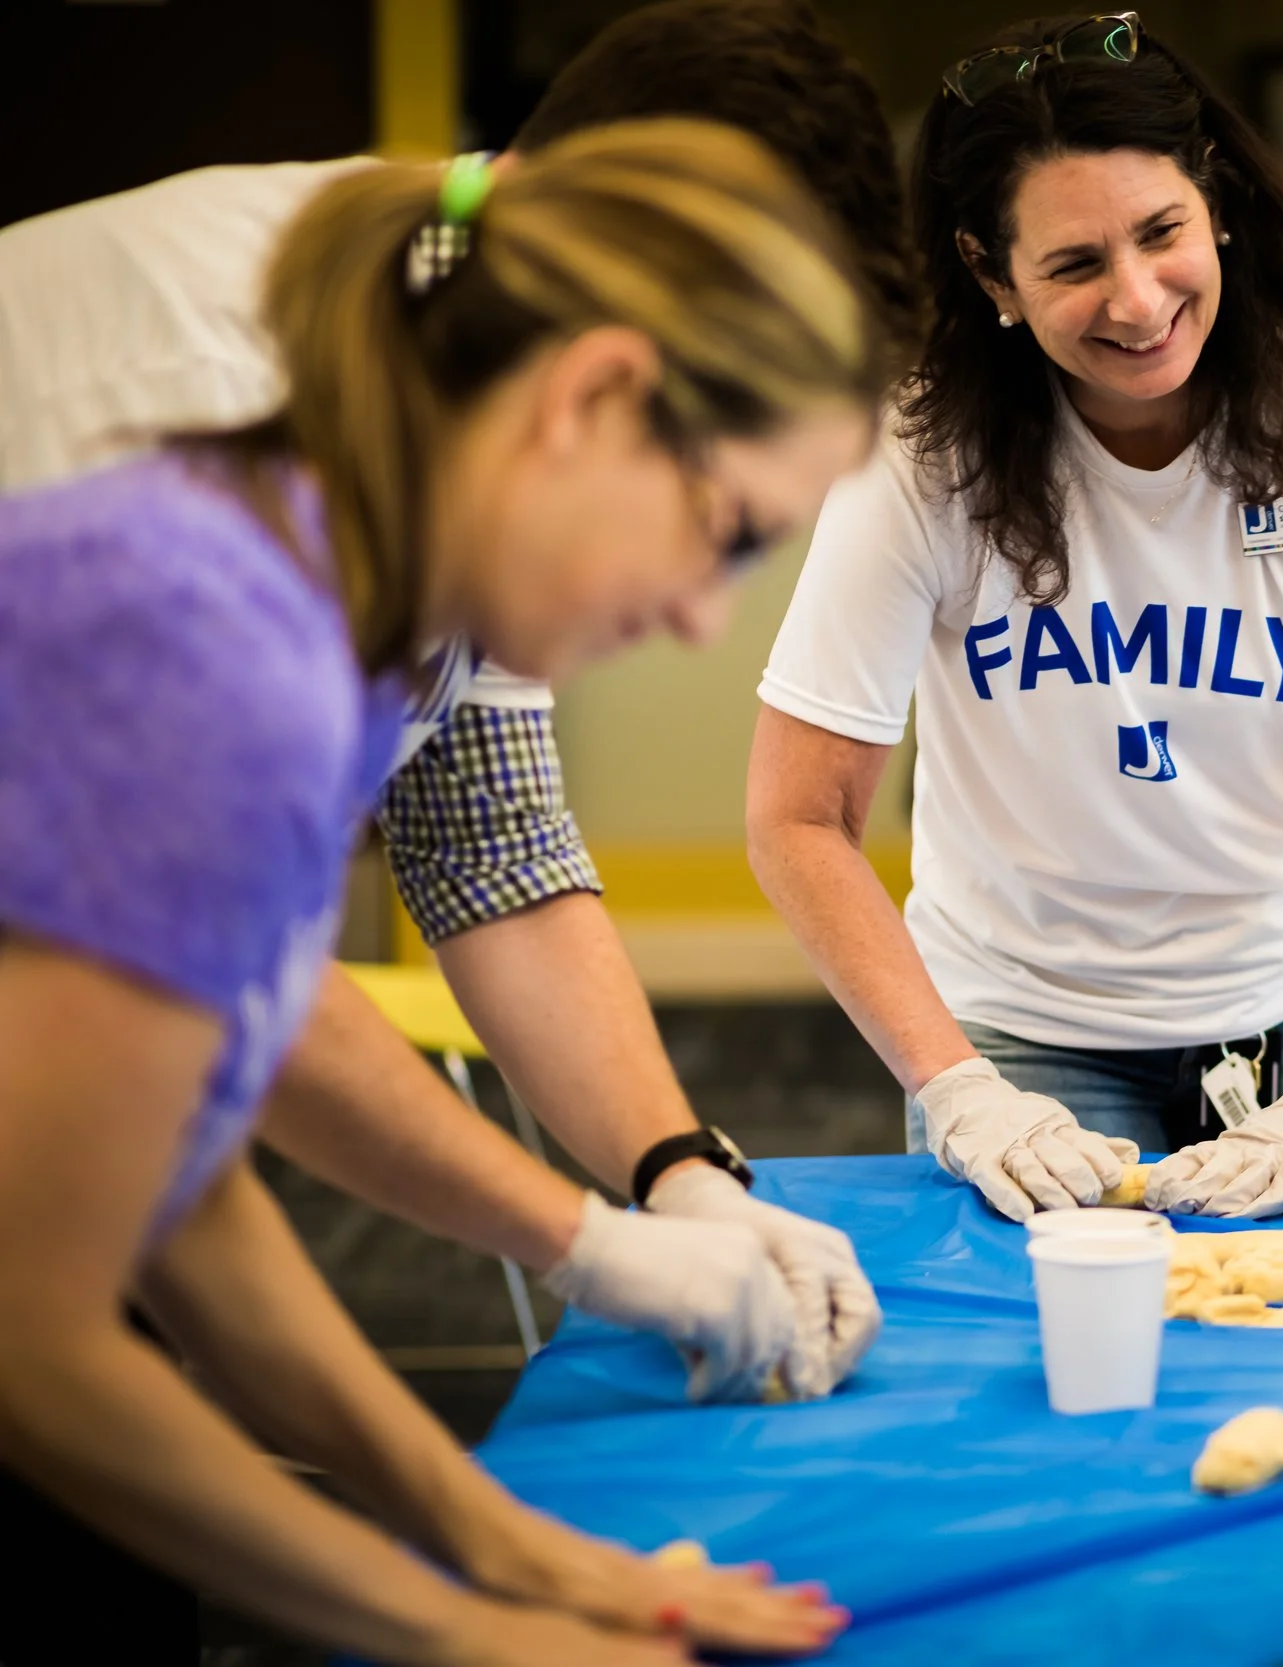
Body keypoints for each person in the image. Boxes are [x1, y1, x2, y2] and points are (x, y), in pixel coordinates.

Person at [0, 122, 878, 1663]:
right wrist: (457, 1625)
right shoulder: (221, 643)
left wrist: (500, 1542)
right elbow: (34, 1330)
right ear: (595, 396)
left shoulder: (339, 615)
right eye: (727, 532)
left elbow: (179, 1176)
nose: (693, 617)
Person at [749, 14, 1283, 1221]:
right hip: (1022, 1027)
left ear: (1214, 205)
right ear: (988, 273)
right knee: (1041, 1366)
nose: (1137, 297)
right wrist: (958, 1085)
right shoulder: (921, 462)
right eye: (1072, 265)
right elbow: (800, 818)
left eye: (1161, 233)